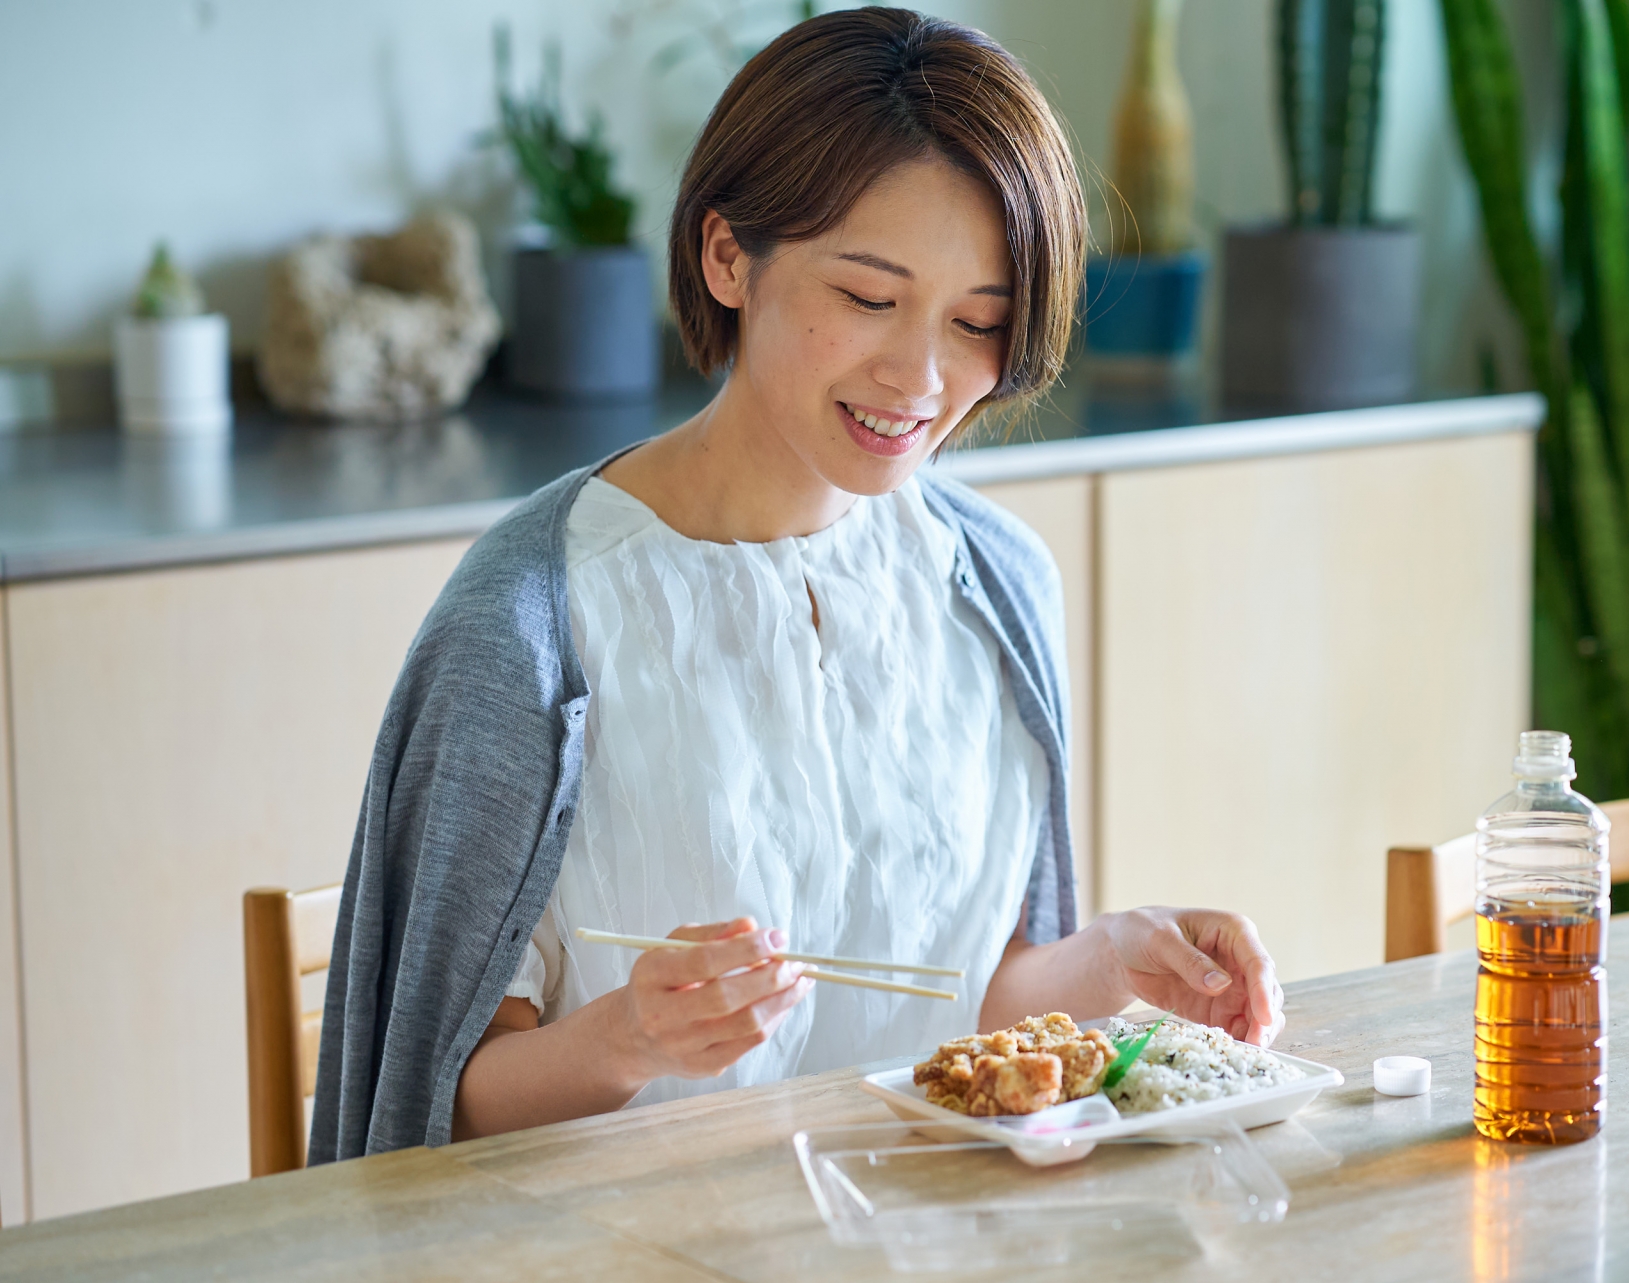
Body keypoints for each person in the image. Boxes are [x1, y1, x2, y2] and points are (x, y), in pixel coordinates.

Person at [310, 7, 1280, 1162]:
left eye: (981, 321)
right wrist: (630, 1037)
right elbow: (435, 1108)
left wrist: (1114, 958)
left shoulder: (997, 588)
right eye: (869, 298)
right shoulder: (534, 626)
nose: (922, 378)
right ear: (728, 256)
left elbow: (970, 1004)